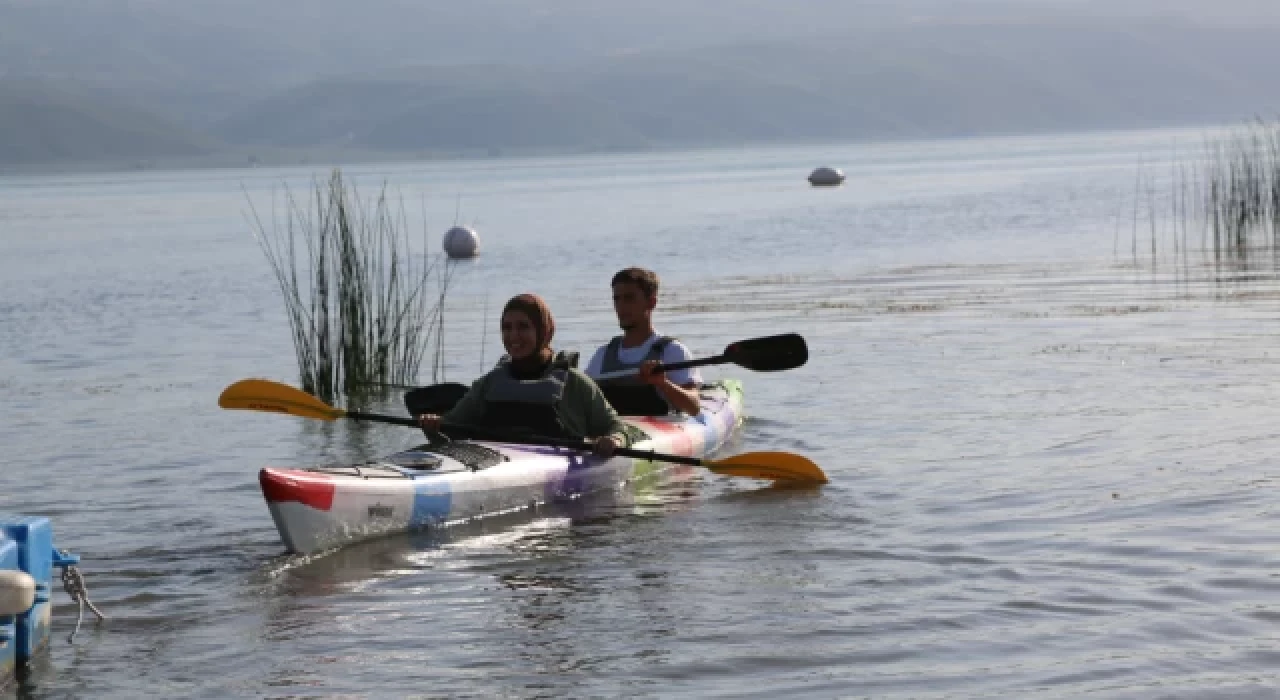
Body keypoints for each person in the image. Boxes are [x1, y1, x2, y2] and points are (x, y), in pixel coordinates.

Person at [415, 293, 629, 456]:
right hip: (493, 467)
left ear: (544, 331)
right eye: (507, 328)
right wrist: (434, 425)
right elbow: (451, 430)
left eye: (523, 327)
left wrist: (614, 440)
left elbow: (617, 426)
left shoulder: (575, 382)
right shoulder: (490, 383)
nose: (513, 336)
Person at [585, 267, 702, 416]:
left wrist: (663, 383)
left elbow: (694, 407)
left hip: (662, 432)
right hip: (615, 433)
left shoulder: (672, 351)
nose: (620, 306)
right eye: (617, 299)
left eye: (629, 298)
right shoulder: (602, 355)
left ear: (651, 303)